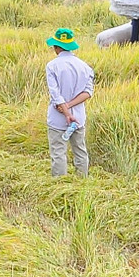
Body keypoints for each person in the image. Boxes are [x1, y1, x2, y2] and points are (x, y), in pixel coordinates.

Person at [45, 27, 95, 177]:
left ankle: (60, 184)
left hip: (58, 117)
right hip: (78, 118)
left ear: (56, 47)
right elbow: (87, 93)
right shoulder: (85, 67)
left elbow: (55, 94)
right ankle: (82, 181)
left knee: (58, 152)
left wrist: (65, 111)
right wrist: (71, 106)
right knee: (80, 151)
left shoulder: (52, 66)